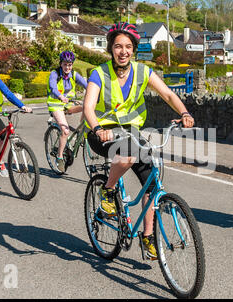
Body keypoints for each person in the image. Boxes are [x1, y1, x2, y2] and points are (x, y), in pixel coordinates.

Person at [83, 22, 195, 259]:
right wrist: (97, 128)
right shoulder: (99, 73)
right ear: (111, 49)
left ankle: (147, 236)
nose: (123, 51)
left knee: (151, 182)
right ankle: (107, 191)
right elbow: (88, 107)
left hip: (131, 132)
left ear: (133, 49)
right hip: (102, 133)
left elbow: (167, 94)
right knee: (126, 156)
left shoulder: (143, 71)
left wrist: (184, 112)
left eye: (127, 46)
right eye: (117, 46)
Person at [47, 50, 88, 173]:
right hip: (56, 104)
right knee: (65, 131)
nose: (67, 67)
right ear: (61, 64)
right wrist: (60, 96)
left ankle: (79, 135)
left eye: (70, 65)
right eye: (65, 64)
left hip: (68, 104)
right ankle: (59, 157)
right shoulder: (54, 74)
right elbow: (53, 86)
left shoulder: (74, 74)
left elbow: (88, 85)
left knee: (87, 107)